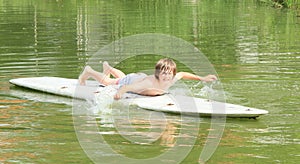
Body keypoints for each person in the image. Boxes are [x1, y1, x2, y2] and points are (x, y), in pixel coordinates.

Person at [78, 58, 217, 100]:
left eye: (169, 73)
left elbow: (183, 74)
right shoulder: (149, 84)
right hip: (134, 81)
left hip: (137, 78)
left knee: (122, 77)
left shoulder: (171, 79)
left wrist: (202, 78)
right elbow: (127, 87)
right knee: (109, 82)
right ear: (157, 73)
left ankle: (108, 67)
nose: (166, 76)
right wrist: (119, 93)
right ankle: (89, 71)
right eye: (163, 73)